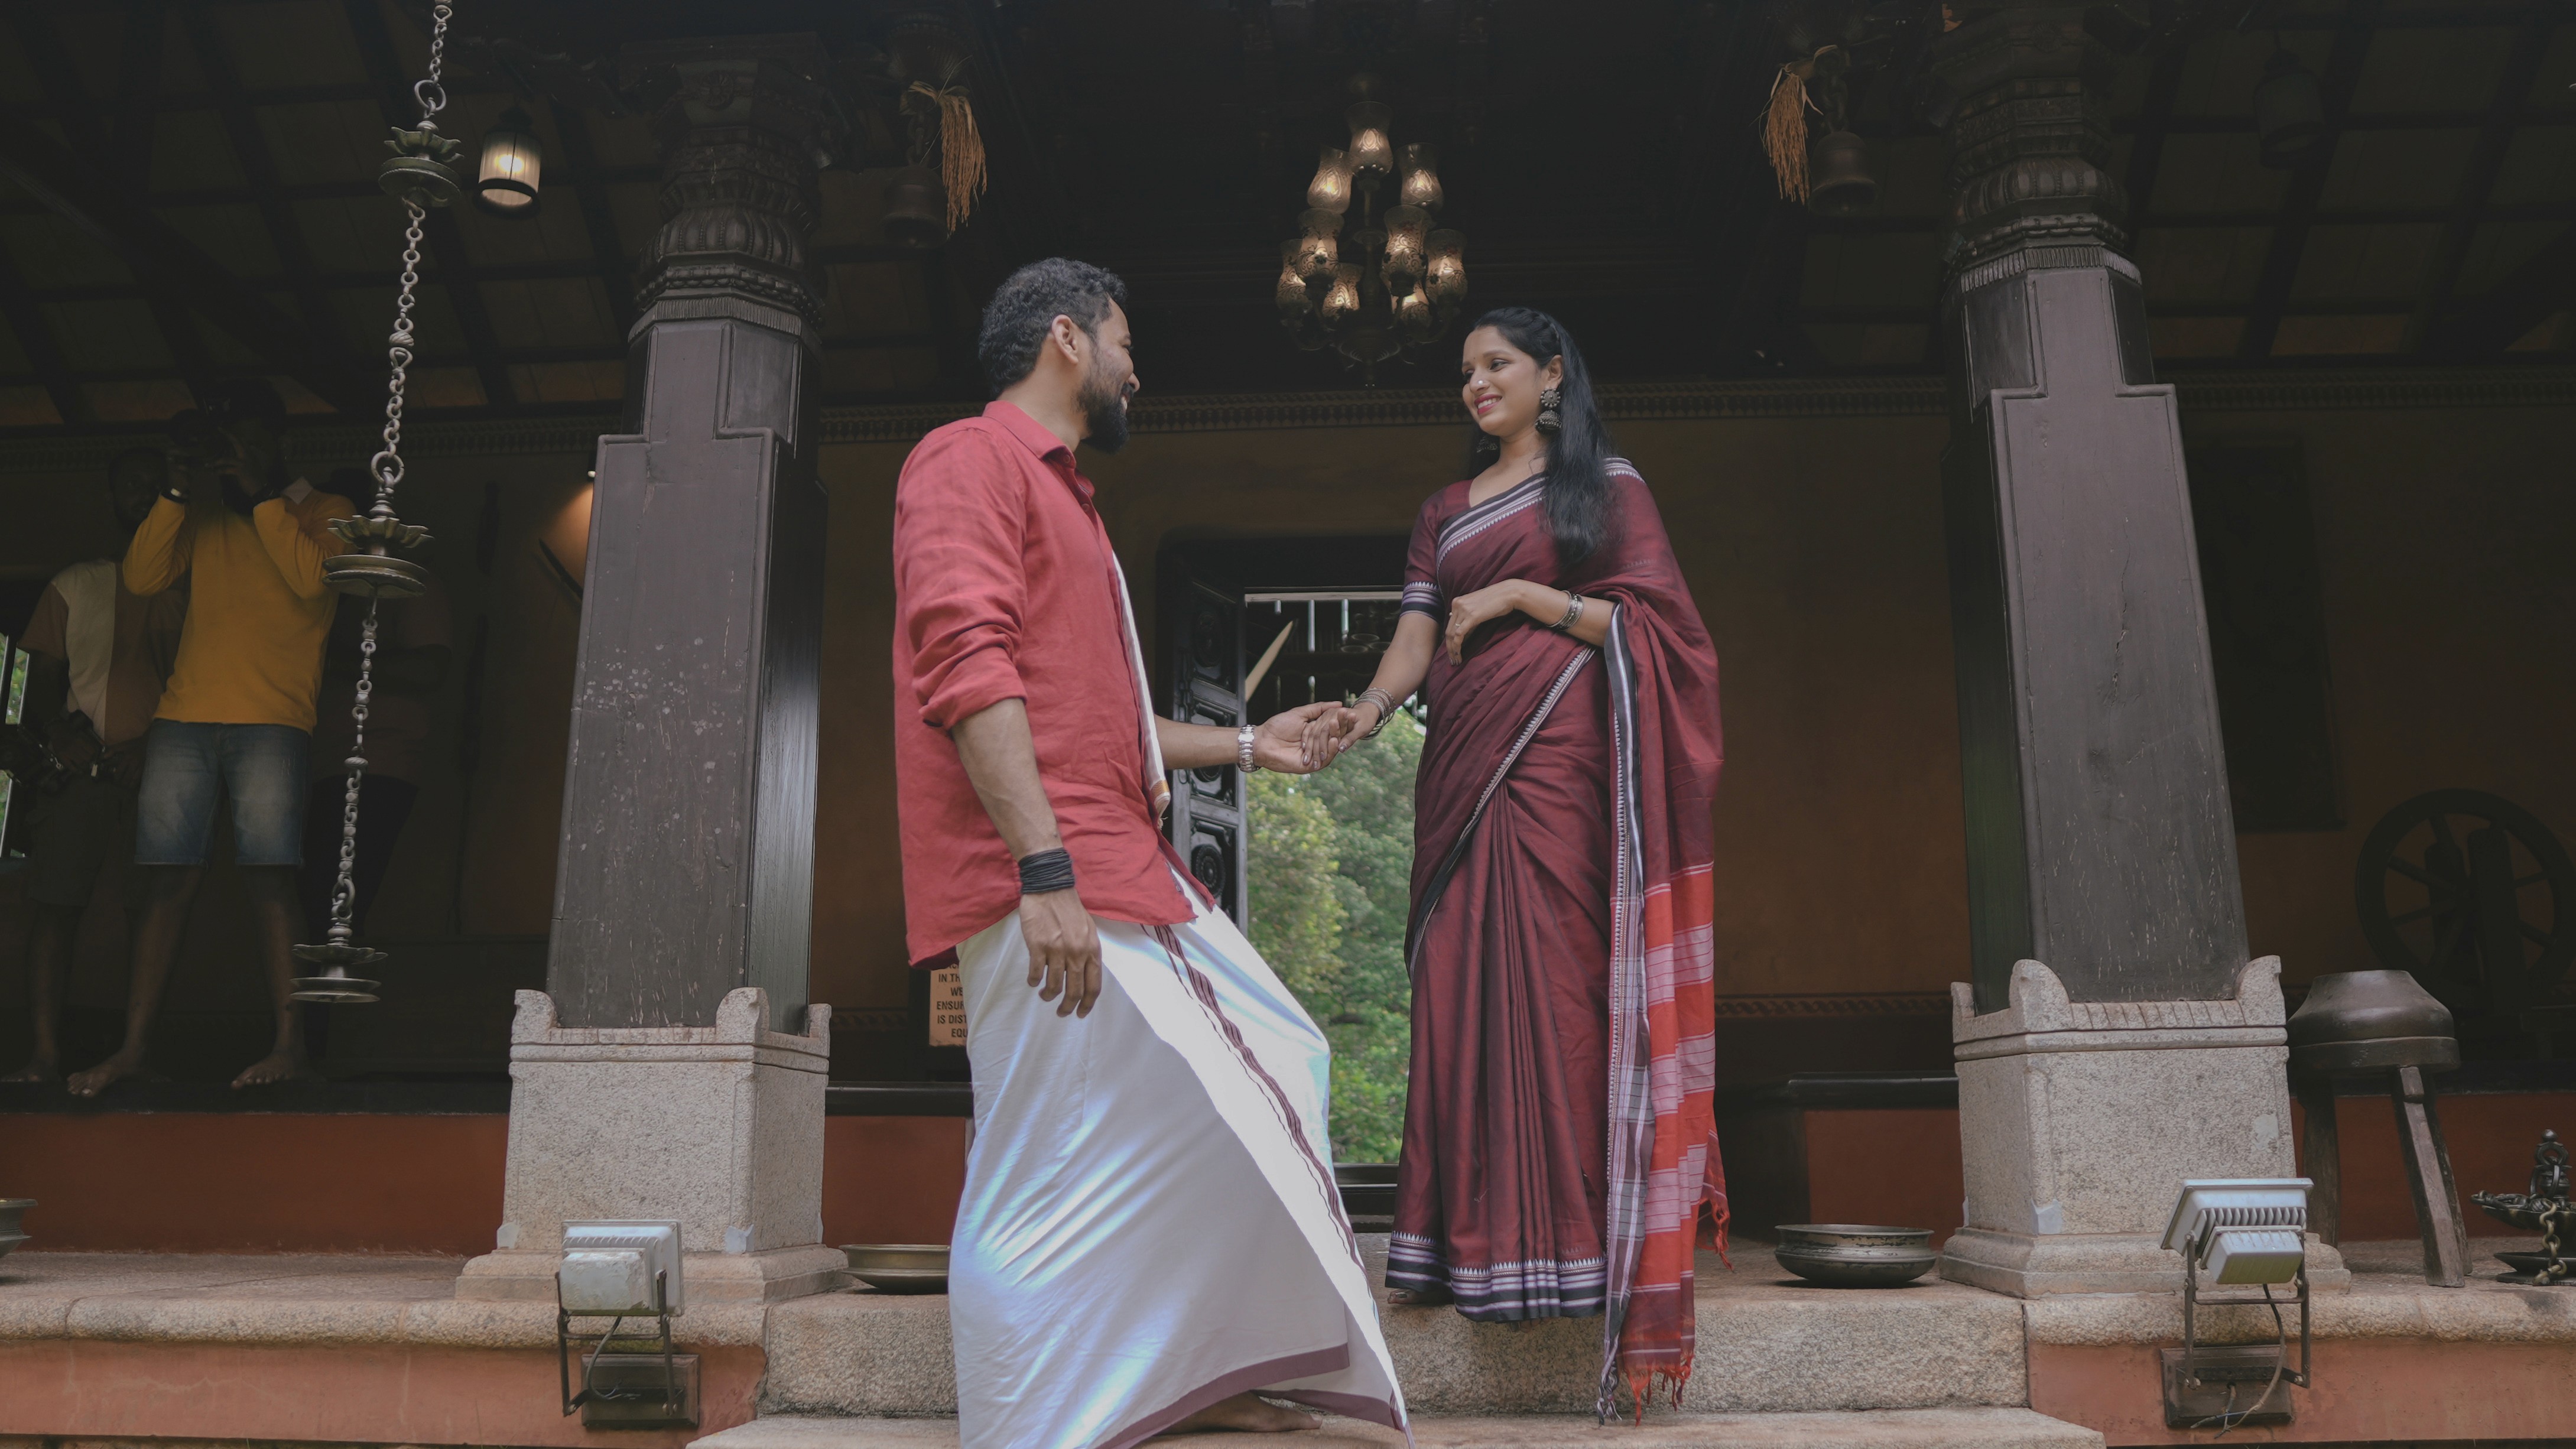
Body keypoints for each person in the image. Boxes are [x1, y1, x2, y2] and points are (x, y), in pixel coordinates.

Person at [892, 258, 1404, 1448]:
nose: (1137, 368)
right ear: (1065, 340)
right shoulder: (964, 460)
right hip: (1056, 878)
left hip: (1112, 863)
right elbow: (967, 672)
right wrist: (1043, 873)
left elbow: (1100, 713)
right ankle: (1021, 1422)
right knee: (1038, 1166)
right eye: (1125, 342)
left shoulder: (1068, 498)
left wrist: (1245, 743)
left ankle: (1179, 1365)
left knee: (1262, 1068)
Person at [1308, 307, 1727, 1416]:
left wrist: (1522, 597)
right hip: (1459, 771)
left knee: (1557, 989)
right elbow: (1414, 634)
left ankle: (1584, 1249)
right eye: (1462, 371)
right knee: (1456, 986)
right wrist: (1361, 713)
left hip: (1562, 770)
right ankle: (1463, 1250)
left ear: (1551, 375)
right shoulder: (1442, 511)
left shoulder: (1608, 488)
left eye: (1494, 364)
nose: (1474, 383)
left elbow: (1666, 634)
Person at [68, 380, 353, 1096]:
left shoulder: (328, 510)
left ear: (274, 442)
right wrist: (175, 488)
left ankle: (291, 1048)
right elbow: (140, 577)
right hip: (184, 719)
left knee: (269, 882)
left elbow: (315, 584)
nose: (233, 456)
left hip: (273, 720)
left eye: (245, 442)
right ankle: (133, 1049)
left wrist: (260, 494)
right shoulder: (202, 513)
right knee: (167, 885)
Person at [1, 449, 187, 1083]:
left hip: (160, 772)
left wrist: (154, 745)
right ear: (112, 501)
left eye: (151, 486)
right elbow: (34, 679)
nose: (139, 496)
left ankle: (140, 1052)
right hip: (79, 772)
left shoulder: (190, 584)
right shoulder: (76, 581)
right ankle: (45, 1054)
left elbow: (202, 682)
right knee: (55, 906)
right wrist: (58, 732)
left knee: (153, 912)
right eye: (127, 487)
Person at [300, 465, 451, 941]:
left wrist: (329, 657)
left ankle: (321, 1015)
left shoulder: (403, 582)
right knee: (301, 900)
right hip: (300, 762)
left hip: (374, 764)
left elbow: (430, 670)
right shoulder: (312, 583)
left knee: (335, 907)